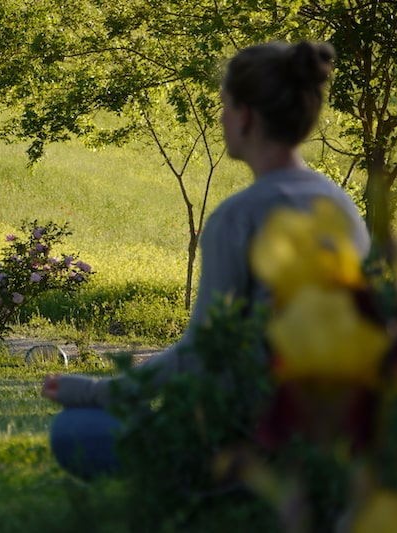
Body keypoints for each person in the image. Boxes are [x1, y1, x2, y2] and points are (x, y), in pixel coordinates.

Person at [41, 40, 371, 481]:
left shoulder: (239, 217)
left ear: (247, 115)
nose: (221, 118)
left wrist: (101, 391)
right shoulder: (342, 207)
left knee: (74, 429)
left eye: (225, 106)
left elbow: (200, 354)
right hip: (343, 439)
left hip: (249, 439)